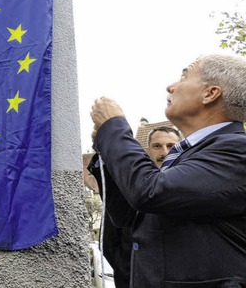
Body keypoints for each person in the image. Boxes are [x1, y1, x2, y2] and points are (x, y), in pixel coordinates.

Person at [90, 54, 246, 287]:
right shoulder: (191, 155)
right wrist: (108, 150)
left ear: (210, 93)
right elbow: (128, 216)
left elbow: (150, 192)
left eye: (184, 77)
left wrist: (114, 129)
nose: (170, 87)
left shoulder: (237, 150)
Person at [88, 126, 182, 288]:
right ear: (148, 150)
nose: (164, 152)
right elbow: (110, 239)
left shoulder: (190, 182)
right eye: (157, 146)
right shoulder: (129, 183)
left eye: (171, 146)